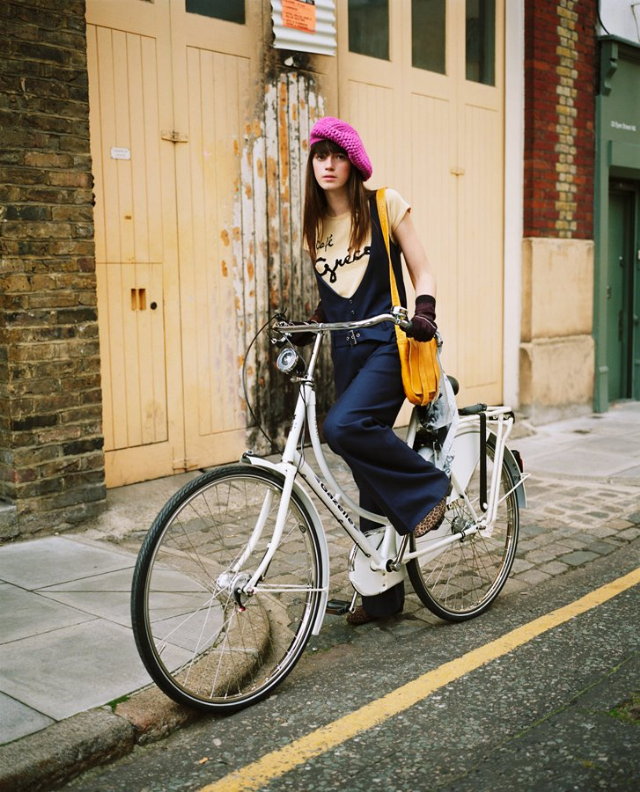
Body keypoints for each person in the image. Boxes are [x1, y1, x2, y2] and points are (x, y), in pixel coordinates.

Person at [298, 117, 450, 625]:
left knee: (342, 428)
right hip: (346, 351)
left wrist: (424, 309)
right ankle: (382, 598)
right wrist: (306, 325)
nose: (327, 164)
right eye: (319, 155)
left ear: (353, 162)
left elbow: (421, 268)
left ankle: (429, 490)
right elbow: (335, 296)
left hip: (391, 343)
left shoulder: (384, 203)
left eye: (336, 155)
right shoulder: (315, 228)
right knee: (364, 470)